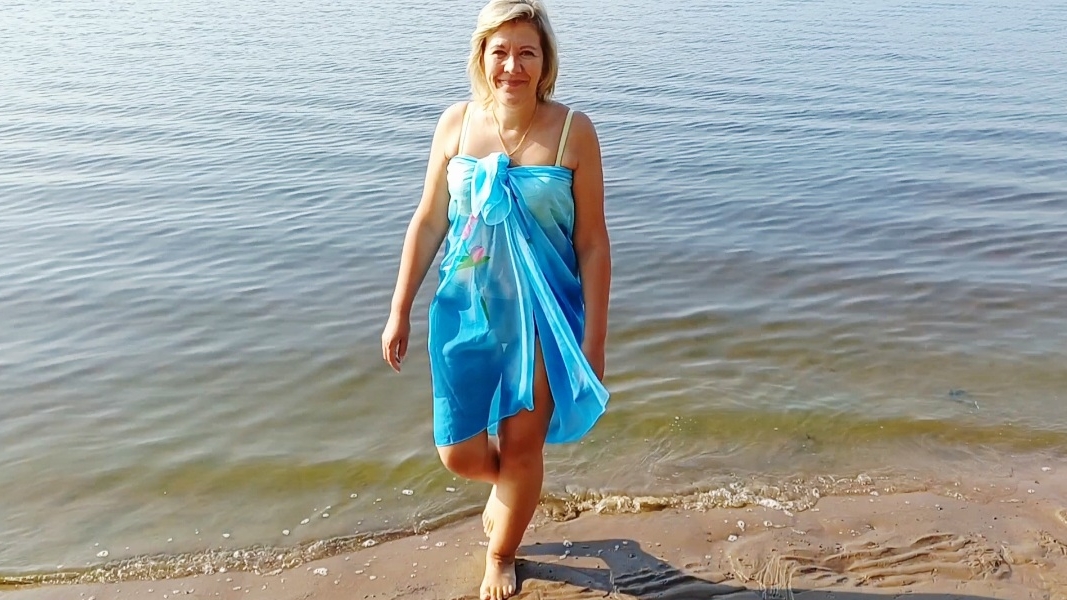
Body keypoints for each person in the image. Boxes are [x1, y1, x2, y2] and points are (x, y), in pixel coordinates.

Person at [380, 1, 611, 598]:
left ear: (545, 62)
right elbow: (429, 220)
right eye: (500, 51)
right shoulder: (455, 124)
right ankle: (510, 488)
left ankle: (502, 553)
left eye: (526, 52)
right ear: (482, 57)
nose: (513, 65)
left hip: (543, 315)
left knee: (522, 446)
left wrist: (594, 341)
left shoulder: (573, 131)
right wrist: (399, 308)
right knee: (456, 452)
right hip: (465, 312)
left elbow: (592, 244)